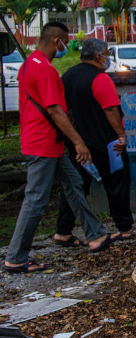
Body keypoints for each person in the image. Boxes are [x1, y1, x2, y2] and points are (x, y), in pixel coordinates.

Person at [4, 22, 112, 273]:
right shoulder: (44, 70)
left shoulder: (31, 63)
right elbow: (55, 110)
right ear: (56, 41)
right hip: (42, 142)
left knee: (73, 182)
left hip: (46, 140)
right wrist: (78, 141)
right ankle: (16, 256)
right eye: (65, 41)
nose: (67, 46)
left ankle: (95, 234)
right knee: (36, 199)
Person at [54, 38, 136, 245]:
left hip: (78, 141)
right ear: (98, 55)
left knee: (77, 187)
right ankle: (125, 227)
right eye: (106, 53)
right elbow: (110, 109)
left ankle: (63, 231)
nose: (108, 57)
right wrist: (121, 135)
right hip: (106, 142)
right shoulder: (100, 78)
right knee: (117, 183)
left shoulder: (68, 76)